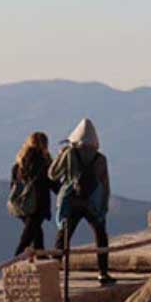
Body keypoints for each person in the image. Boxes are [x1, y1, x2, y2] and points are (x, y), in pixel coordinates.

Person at [50, 118, 115, 285]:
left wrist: (61, 155)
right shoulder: (100, 159)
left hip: (71, 201)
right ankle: (103, 272)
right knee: (100, 235)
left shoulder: (70, 154)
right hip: (92, 202)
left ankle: (53, 271)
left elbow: (52, 174)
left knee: (64, 235)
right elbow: (105, 185)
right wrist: (103, 206)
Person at [9, 131, 56, 256]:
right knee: (27, 237)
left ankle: (41, 256)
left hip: (21, 205)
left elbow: (13, 186)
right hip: (38, 206)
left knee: (36, 232)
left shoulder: (19, 165)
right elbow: (53, 184)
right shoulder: (44, 164)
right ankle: (16, 259)